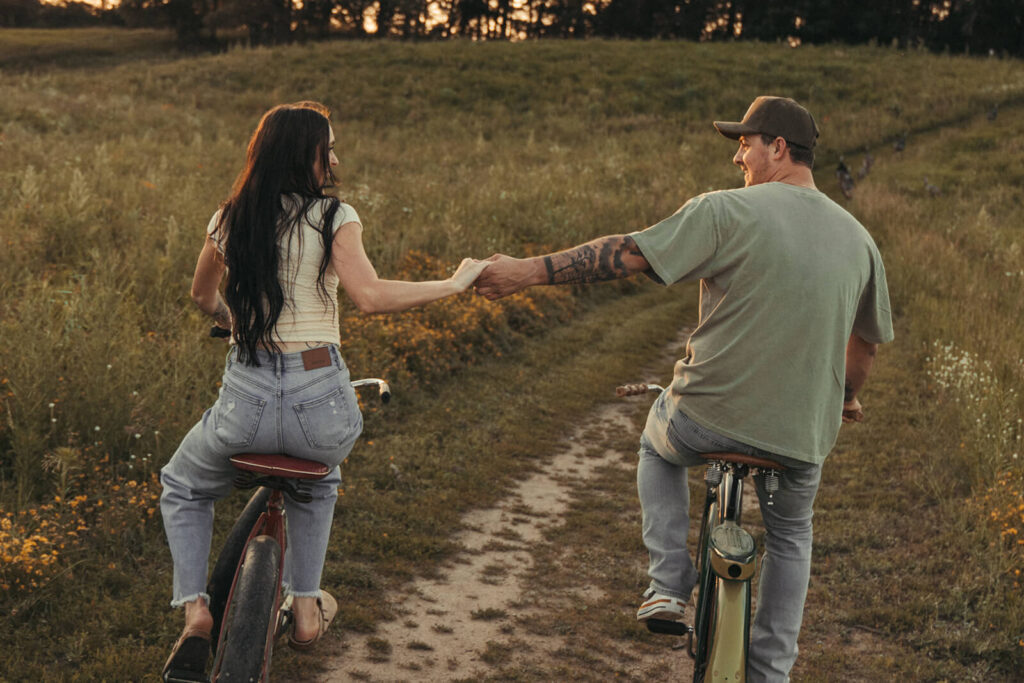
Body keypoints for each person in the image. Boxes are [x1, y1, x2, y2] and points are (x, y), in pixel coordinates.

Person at [474, 96, 893, 681]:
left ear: (777, 147)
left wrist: (525, 271)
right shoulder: (859, 239)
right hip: (801, 436)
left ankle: (669, 585)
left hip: (706, 418)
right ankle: (771, 672)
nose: (737, 159)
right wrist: (845, 396)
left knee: (655, 444)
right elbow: (864, 348)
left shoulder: (726, 212)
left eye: (743, 144)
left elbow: (627, 255)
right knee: (792, 534)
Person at [160, 101, 488, 679]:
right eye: (327, 148)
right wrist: (454, 283)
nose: (334, 159)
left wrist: (232, 319)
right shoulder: (334, 217)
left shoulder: (231, 217)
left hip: (247, 395)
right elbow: (371, 297)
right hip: (319, 393)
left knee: (184, 485)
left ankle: (195, 612)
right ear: (304, 155)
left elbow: (201, 295)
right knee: (320, 476)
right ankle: (306, 606)